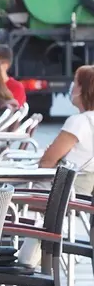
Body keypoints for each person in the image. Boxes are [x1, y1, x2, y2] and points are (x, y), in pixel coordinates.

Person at [40, 65, 94, 194]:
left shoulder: (79, 122)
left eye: (75, 82)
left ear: (83, 89)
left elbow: (46, 163)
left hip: (62, 196)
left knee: (4, 194)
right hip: (82, 198)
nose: (72, 86)